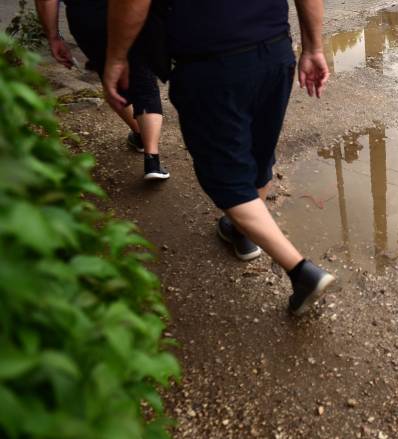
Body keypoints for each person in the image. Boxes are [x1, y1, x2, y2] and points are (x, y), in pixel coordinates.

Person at [102, 0, 335, 315]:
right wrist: (313, 47)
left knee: (227, 180)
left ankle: (301, 271)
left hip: (210, 65)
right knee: (257, 154)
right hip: (274, 52)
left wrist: (116, 56)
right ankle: (242, 232)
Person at [35, 0, 169, 180]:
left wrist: (54, 36)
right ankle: (152, 159)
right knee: (143, 78)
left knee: (111, 79)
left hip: (87, 19)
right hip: (130, 10)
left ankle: (139, 135)